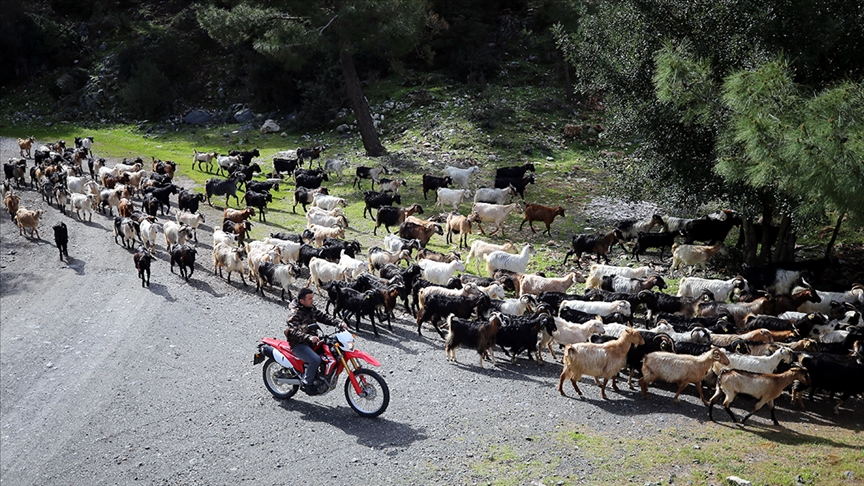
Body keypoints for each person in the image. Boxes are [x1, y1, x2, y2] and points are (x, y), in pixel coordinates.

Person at [284, 288, 348, 395]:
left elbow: (323, 317)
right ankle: (306, 383)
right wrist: (308, 337)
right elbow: (292, 332)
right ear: (302, 301)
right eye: (310, 299)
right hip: (299, 344)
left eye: (312, 298)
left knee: (331, 352)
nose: (313, 300)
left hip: (312, 342)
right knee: (315, 360)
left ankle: (321, 377)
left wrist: (338, 323)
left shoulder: (310, 308)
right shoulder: (294, 314)